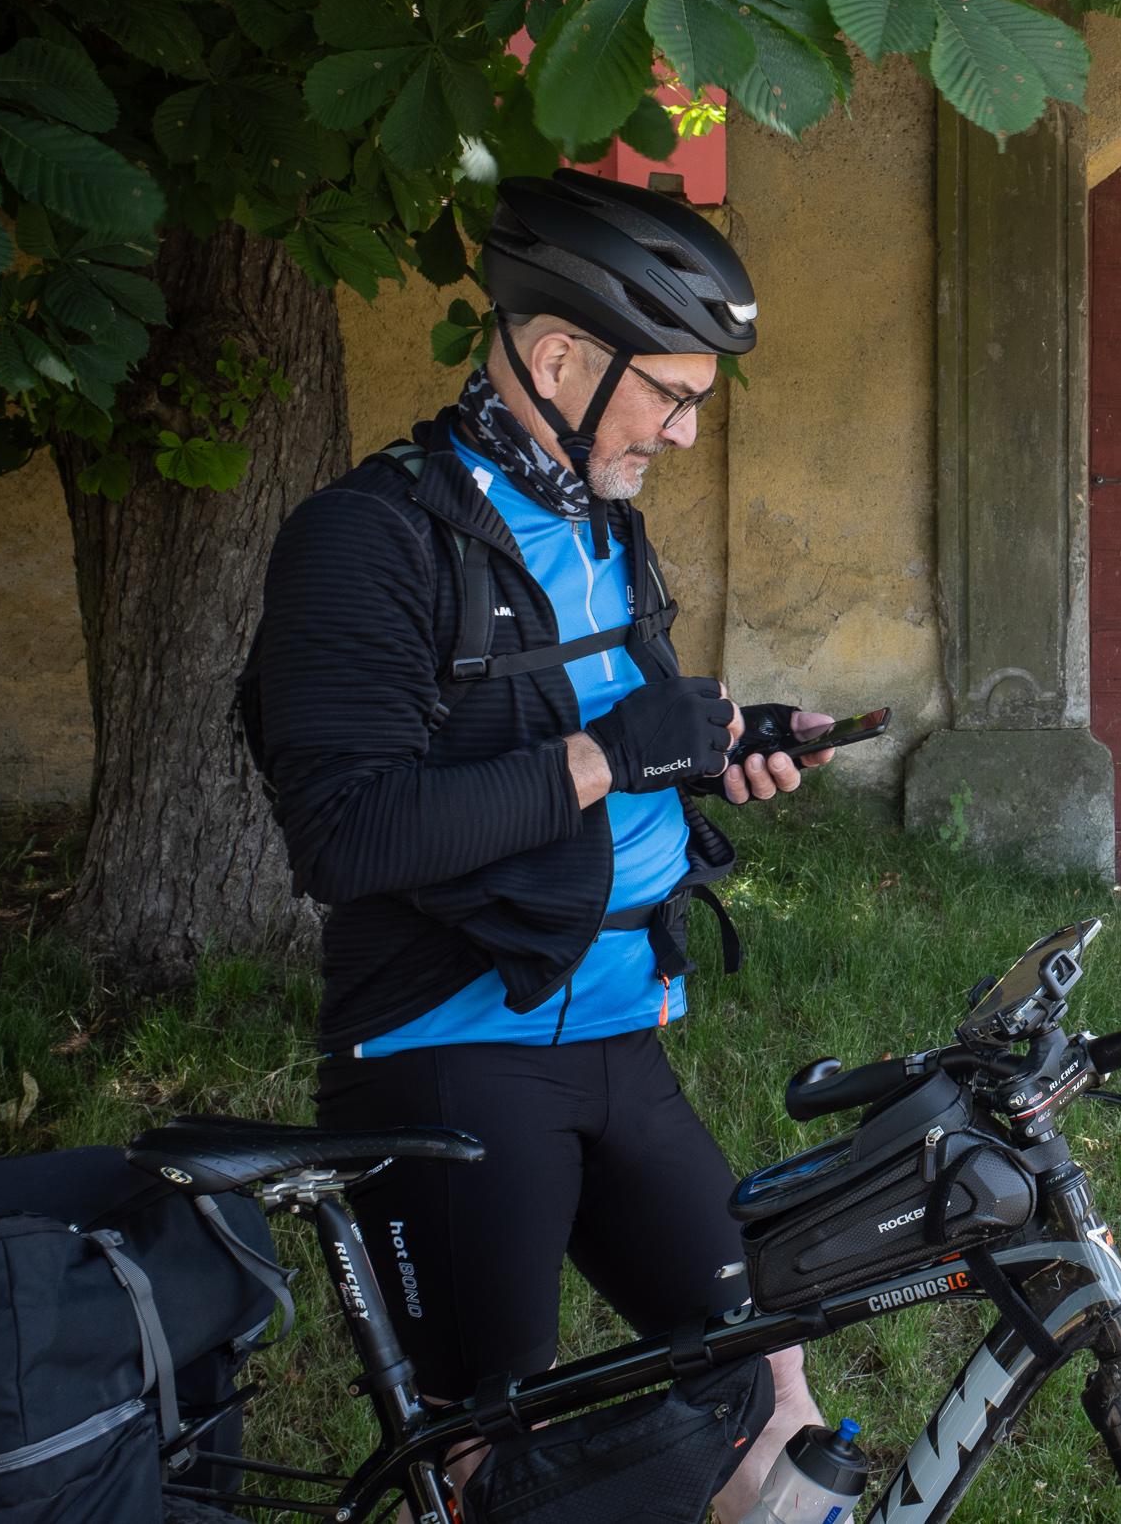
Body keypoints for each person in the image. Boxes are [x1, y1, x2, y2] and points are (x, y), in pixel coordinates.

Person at [250, 169, 827, 1517]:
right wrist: (612, 755)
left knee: (775, 1391)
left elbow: (598, 748)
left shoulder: (599, 527)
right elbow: (344, 833)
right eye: (671, 394)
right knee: (486, 1464)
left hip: (617, 1037)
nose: (687, 434)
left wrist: (708, 751)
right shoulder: (366, 539)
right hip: (451, 1051)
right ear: (558, 357)